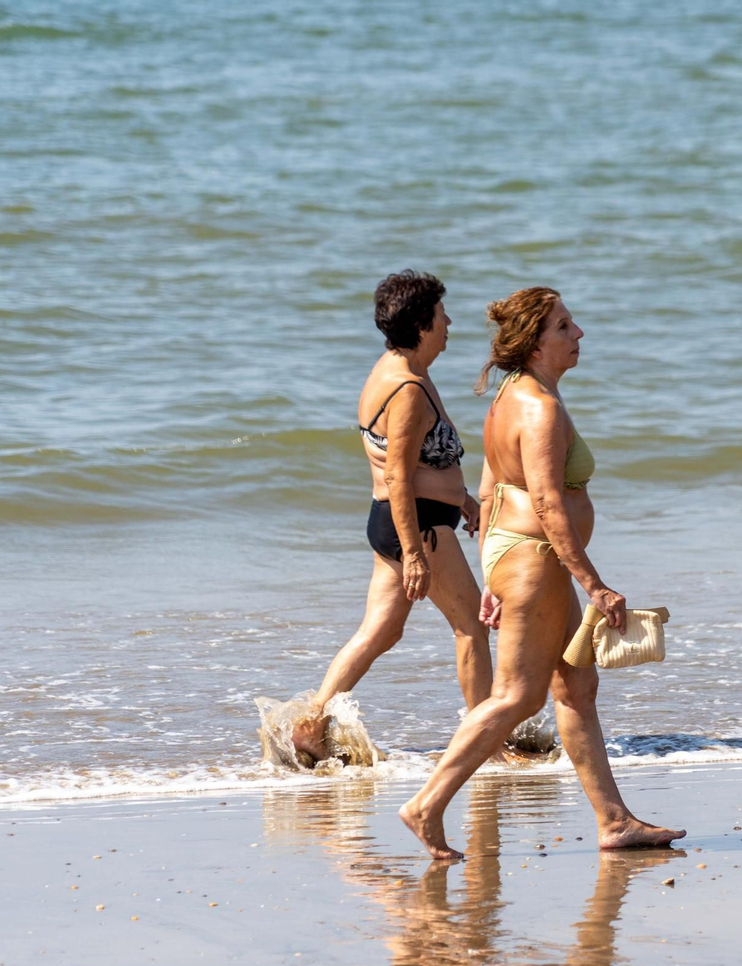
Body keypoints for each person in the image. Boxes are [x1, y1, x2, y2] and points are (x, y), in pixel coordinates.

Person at [397, 287, 686, 858]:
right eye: (563, 327)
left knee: (575, 687)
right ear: (533, 344)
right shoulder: (541, 409)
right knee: (517, 697)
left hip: (521, 557)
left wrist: (494, 575)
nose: (578, 335)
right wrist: (594, 584)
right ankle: (426, 804)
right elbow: (551, 506)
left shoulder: (511, 396)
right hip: (538, 560)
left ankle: (614, 821)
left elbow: (488, 490)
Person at [292, 271, 491, 762]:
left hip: (399, 519)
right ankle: (486, 742)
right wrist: (416, 555)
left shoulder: (399, 370)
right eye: (443, 315)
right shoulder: (405, 389)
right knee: (470, 627)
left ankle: (311, 725)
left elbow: (413, 464)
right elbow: (399, 476)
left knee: (381, 630)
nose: (450, 323)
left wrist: (461, 496)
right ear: (422, 324)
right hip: (417, 526)